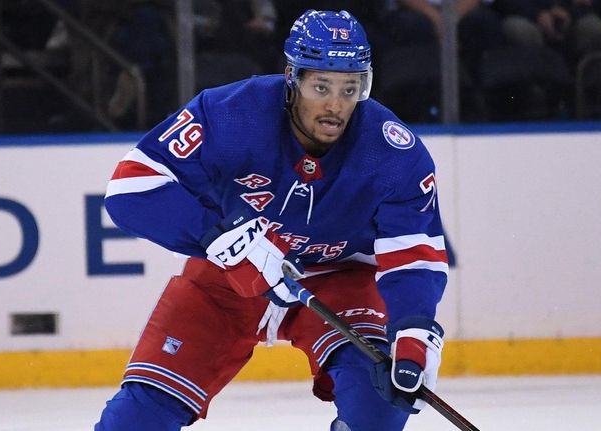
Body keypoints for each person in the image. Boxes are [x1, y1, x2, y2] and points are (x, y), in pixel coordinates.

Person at [95, 9, 450, 431]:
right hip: (228, 272)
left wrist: (413, 329)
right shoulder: (231, 114)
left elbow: (414, 253)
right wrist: (217, 237)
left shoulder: (393, 152)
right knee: (134, 420)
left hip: (341, 279)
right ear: (292, 77)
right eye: (321, 86)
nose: (336, 105)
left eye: (351, 88)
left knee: (378, 409)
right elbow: (130, 189)